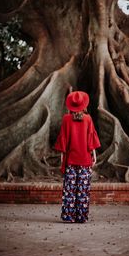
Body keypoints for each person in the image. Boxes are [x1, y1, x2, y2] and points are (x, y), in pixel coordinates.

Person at [54, 91, 101, 223]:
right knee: (83, 190)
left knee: (69, 189)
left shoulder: (66, 119)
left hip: (70, 160)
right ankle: (81, 217)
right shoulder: (88, 119)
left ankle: (69, 216)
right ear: (83, 105)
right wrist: (94, 155)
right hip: (85, 160)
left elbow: (63, 140)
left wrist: (62, 158)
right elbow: (91, 139)